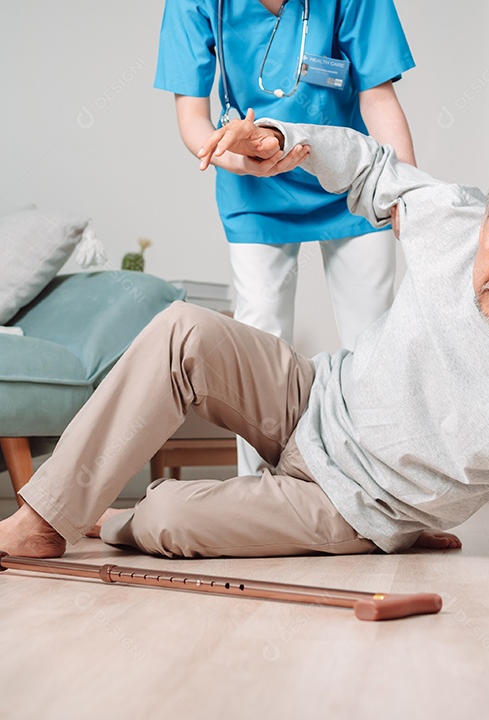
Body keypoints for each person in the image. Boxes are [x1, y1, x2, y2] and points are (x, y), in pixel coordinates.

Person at [0, 117, 489, 600]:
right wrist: (286, 141)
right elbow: (371, 168)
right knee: (186, 328)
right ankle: (46, 520)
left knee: (165, 515)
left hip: (357, 507)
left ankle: (115, 519)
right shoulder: (454, 219)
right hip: (313, 399)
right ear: (487, 223)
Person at [155, 0, 417, 475]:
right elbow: (193, 118)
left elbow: (377, 96)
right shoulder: (195, 4)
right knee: (259, 341)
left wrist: (405, 191)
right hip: (251, 180)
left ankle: (385, 491)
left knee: (372, 338)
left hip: (348, 174)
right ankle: (258, 488)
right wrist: (240, 160)